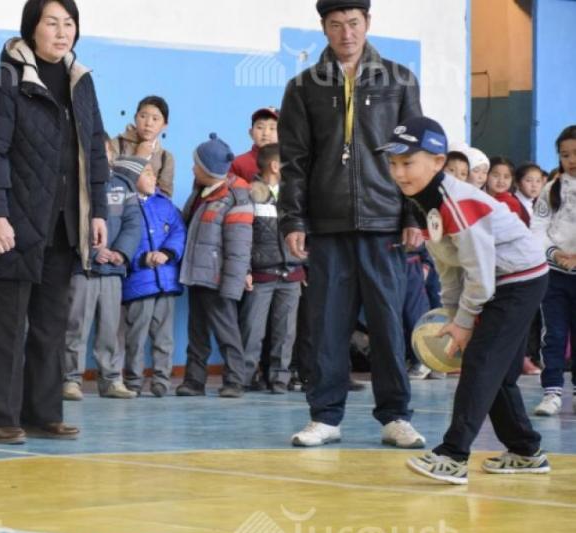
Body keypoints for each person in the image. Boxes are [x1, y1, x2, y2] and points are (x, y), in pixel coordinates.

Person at [279, 0, 426, 448]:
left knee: (388, 322)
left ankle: (395, 416)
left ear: (368, 23)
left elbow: (413, 152)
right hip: (327, 224)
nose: (347, 33)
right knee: (326, 325)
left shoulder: (399, 79)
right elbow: (295, 161)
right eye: (337, 25)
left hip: (385, 221)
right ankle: (325, 417)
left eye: (354, 23)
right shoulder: (303, 87)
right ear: (323, 28)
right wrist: (293, 219)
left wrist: (414, 214)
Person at [378, 116, 551, 485]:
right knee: (497, 372)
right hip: (496, 280)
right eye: (393, 163)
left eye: (408, 162)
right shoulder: (424, 201)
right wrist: (454, 315)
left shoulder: (457, 201)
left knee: (481, 363)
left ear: (438, 162)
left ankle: (453, 455)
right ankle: (526, 451)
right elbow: (449, 266)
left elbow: (480, 273)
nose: (399, 172)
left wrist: (465, 320)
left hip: (518, 280)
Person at [0, 0, 109, 444]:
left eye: (69, 23)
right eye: (52, 23)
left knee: (50, 327)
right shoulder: (7, 81)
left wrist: (98, 211)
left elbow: (95, 151)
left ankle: (44, 413)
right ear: (32, 28)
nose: (62, 32)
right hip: (15, 224)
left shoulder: (81, 82)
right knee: (8, 328)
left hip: (64, 226)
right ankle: (3, 418)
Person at [175, 133, 253, 398]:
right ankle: (194, 381)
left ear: (209, 169)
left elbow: (239, 247)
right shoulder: (201, 192)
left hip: (218, 279)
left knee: (226, 331)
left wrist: (232, 284)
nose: (193, 168)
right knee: (196, 333)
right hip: (197, 275)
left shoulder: (235, 197)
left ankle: (235, 381)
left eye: (196, 164)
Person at [62, 156, 142, 400]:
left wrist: (120, 252)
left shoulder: (123, 185)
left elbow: (133, 223)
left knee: (110, 329)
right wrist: (93, 251)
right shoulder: (72, 183)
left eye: (105, 152)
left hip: (113, 271)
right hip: (83, 269)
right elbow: (68, 223)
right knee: (76, 326)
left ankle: (111, 380)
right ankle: (70, 380)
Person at [240, 143, 303, 394]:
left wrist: (305, 266)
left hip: (292, 275)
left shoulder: (294, 196)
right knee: (252, 330)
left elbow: (304, 233)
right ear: (276, 166)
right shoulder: (249, 194)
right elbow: (242, 237)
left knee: (285, 333)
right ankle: (244, 377)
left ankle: (280, 379)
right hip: (262, 275)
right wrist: (245, 269)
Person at [121, 162, 186, 397]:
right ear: (132, 177)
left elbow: (179, 231)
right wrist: (141, 258)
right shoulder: (125, 206)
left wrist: (167, 253)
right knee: (136, 337)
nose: (153, 179)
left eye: (154, 174)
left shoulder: (165, 204)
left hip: (165, 282)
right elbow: (121, 239)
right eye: (147, 174)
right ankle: (133, 381)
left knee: (164, 337)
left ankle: (161, 380)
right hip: (139, 284)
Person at [530, 125, 576, 417]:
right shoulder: (551, 189)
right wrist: (555, 253)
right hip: (555, 275)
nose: (571, 160)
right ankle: (552, 391)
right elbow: (537, 228)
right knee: (554, 334)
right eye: (565, 154)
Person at [111, 96, 175, 198]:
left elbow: (164, 197)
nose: (148, 123)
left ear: (164, 125)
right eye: (143, 116)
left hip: (147, 207)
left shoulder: (166, 158)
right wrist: (139, 157)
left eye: (155, 119)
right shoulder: (117, 144)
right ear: (135, 118)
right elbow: (108, 181)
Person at [229, 107, 279, 182]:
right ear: (251, 133)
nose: (266, 133)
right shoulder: (237, 164)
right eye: (260, 127)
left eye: (272, 128)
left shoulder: (290, 162)